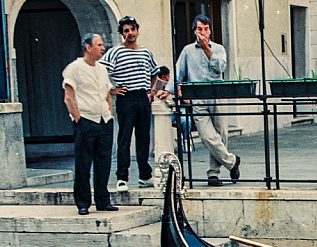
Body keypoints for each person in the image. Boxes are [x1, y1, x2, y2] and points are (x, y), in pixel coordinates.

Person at [175, 14, 240, 186]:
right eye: (199, 29)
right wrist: (169, 91)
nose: (203, 32)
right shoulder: (188, 51)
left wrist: (207, 50)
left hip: (217, 94)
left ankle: (214, 173)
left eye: (206, 29)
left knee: (221, 133)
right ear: (194, 31)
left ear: (210, 30)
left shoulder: (218, 49)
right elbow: (178, 73)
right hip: (198, 97)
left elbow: (221, 68)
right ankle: (232, 161)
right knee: (206, 135)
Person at [100, 16, 160, 190]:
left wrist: (151, 89)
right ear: (122, 33)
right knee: (125, 138)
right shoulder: (115, 52)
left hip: (142, 97)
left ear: (137, 30)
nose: (130, 33)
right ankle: (122, 178)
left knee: (143, 138)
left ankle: (145, 175)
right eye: (126, 30)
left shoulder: (145, 52)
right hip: (126, 98)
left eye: (132, 29)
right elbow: (100, 71)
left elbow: (155, 71)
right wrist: (111, 90)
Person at [63, 33, 119, 216]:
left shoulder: (102, 69)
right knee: (83, 163)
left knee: (104, 162)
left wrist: (110, 114)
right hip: (86, 121)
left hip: (104, 120)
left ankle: (103, 200)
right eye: (99, 45)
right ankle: (83, 202)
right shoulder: (74, 68)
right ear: (88, 47)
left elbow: (107, 93)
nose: (103, 48)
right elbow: (69, 98)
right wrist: (78, 119)